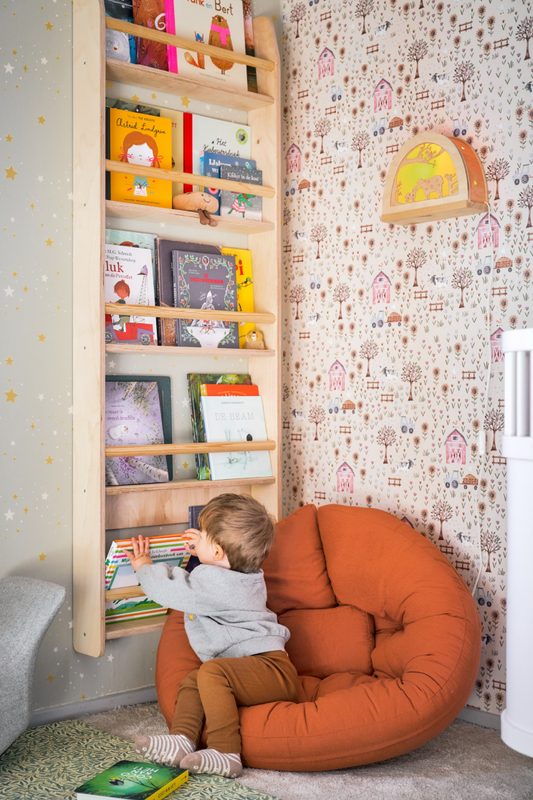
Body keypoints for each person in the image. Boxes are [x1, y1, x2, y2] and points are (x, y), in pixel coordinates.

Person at [122, 493, 299, 778]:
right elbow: (214, 573)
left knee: (211, 672)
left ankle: (226, 751)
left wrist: (144, 565)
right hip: (260, 671)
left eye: (202, 534)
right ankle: (182, 739)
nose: (197, 537)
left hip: (272, 672)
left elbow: (172, 590)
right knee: (195, 679)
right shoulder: (246, 574)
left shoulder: (216, 582)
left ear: (217, 553)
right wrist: (202, 547)